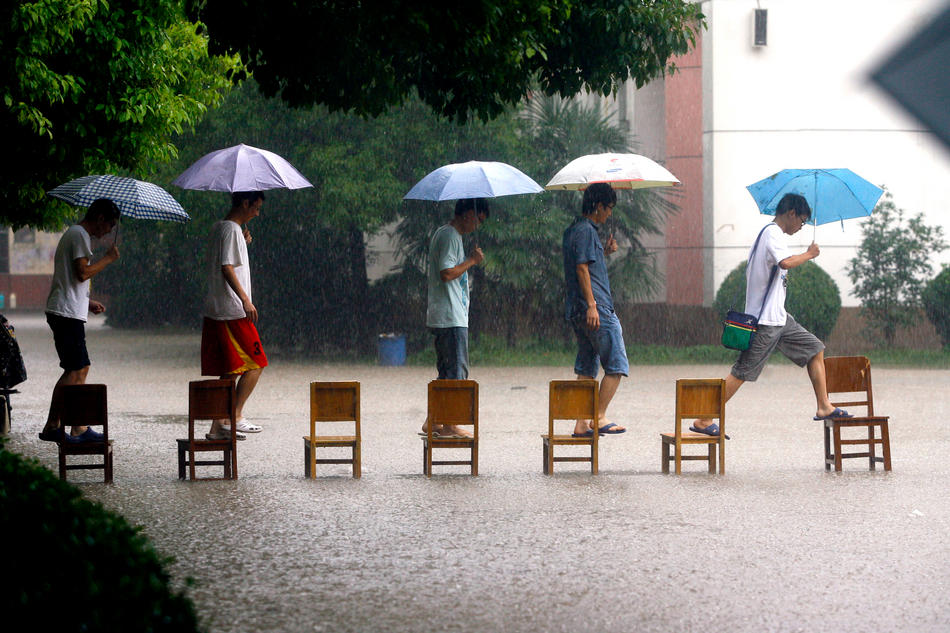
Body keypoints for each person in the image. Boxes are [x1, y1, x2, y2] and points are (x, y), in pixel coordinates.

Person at [692, 193, 851, 437]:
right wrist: (809, 254)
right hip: (765, 322)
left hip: (780, 319)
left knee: (815, 348)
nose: (801, 227)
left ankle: (823, 406)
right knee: (741, 372)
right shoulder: (772, 233)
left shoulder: (772, 234)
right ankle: (703, 419)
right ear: (791, 214)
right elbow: (785, 263)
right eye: (802, 221)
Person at [39, 198, 120, 443]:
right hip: (64, 313)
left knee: (81, 367)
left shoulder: (76, 235)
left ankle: (78, 425)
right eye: (110, 225)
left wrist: (87, 301)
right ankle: (54, 425)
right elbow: (82, 272)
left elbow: (71, 280)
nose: (108, 232)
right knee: (75, 368)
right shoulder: (79, 235)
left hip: (69, 310)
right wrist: (108, 259)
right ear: (100, 218)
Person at [200, 191, 269, 440]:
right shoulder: (230, 229)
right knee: (257, 363)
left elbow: (226, 260)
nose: (257, 213)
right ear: (244, 203)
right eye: (256, 207)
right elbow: (226, 268)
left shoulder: (222, 228)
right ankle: (235, 414)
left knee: (231, 369)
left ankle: (218, 426)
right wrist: (245, 300)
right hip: (231, 310)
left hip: (218, 308)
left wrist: (243, 240)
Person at [563, 183, 628, 437]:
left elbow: (586, 265)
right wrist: (593, 305)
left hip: (578, 309)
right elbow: (581, 268)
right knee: (616, 365)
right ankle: (598, 416)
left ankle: (580, 423)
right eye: (608, 208)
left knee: (587, 367)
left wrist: (605, 252)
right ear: (599, 206)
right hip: (596, 309)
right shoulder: (586, 231)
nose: (609, 213)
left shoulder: (573, 230)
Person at [420, 198, 488, 438]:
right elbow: (447, 273)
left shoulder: (447, 234)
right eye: (478, 220)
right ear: (468, 213)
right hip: (450, 317)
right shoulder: (450, 236)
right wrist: (471, 261)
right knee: (457, 373)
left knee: (446, 372)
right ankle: (450, 424)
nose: (477, 226)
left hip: (445, 315)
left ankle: (433, 420)